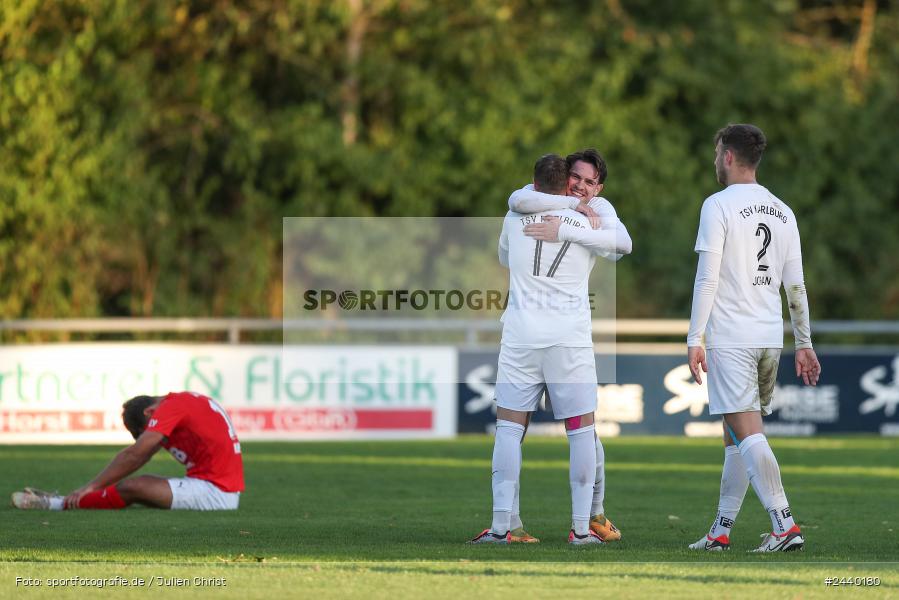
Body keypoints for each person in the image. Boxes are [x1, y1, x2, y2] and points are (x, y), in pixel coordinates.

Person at [469, 153, 632, 545]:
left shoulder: (519, 211)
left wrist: (564, 228)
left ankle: (501, 528)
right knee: (581, 432)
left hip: (521, 334)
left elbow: (506, 253)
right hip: (568, 338)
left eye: (587, 181)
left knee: (508, 429)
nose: (579, 186)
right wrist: (574, 221)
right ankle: (580, 530)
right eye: (574, 177)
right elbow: (621, 245)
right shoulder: (586, 215)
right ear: (565, 180)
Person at [686, 124, 821, 552]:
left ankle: (785, 525)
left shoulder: (717, 205)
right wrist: (804, 342)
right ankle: (720, 530)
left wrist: (695, 336)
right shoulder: (783, 211)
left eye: (715, 154)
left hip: (732, 338)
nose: (714, 162)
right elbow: (795, 286)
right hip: (769, 339)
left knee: (747, 433)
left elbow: (706, 278)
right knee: (737, 434)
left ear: (727, 156)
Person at [11, 391, 244, 511]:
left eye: (144, 432)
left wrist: (91, 486)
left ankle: (57, 504)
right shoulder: (180, 403)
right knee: (136, 486)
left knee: (134, 486)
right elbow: (141, 454)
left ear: (149, 413)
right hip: (214, 485)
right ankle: (64, 500)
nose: (149, 439)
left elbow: (136, 454)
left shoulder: (169, 408)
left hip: (218, 492)